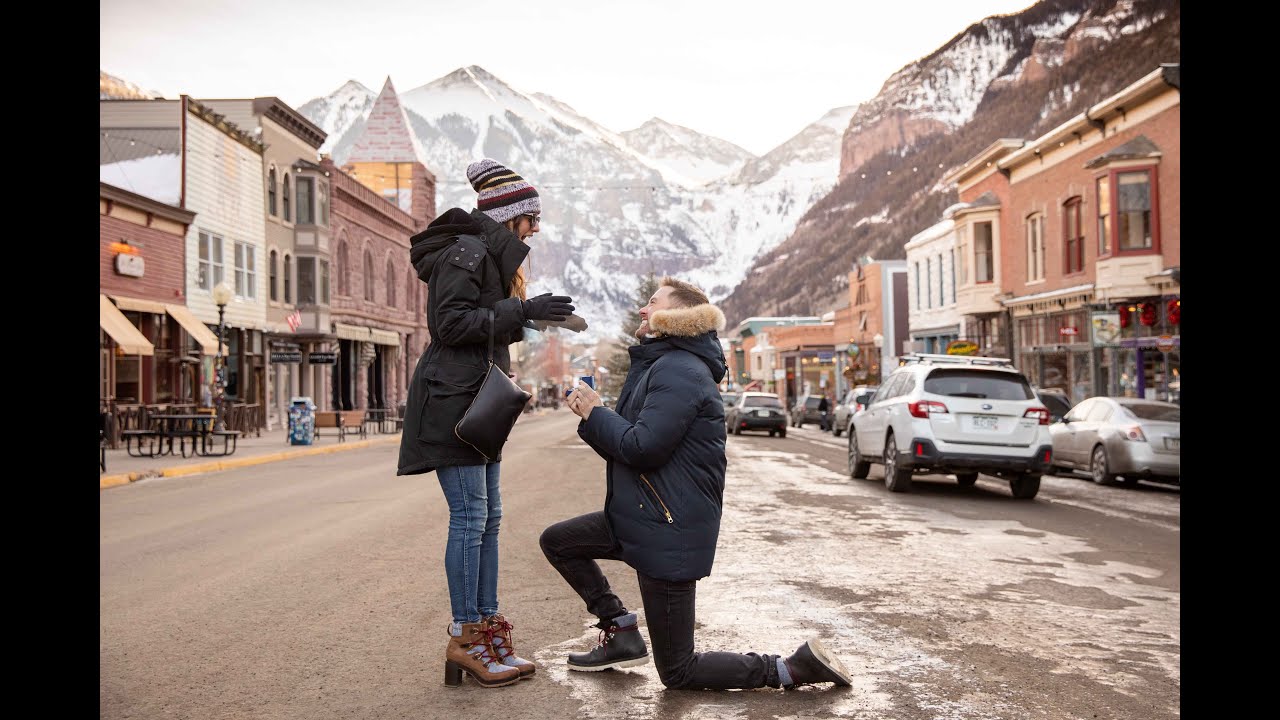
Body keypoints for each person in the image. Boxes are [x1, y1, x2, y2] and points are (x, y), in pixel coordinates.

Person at [542, 276, 851, 691]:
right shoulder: (662, 365)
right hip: (641, 518)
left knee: (678, 671)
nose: (643, 309)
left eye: (653, 302)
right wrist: (592, 417)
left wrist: (597, 413)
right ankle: (620, 629)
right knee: (559, 542)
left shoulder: (680, 370)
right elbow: (628, 451)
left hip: (669, 530)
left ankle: (792, 668)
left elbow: (643, 448)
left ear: (678, 316)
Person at [398, 158, 576, 689]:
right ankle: (465, 637)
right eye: (531, 217)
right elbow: (450, 325)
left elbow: (485, 326)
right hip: (454, 404)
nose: (535, 228)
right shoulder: (467, 252)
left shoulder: (487, 256)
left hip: (479, 401)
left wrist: (531, 315)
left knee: (489, 517)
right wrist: (521, 311)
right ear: (507, 216)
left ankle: (489, 630)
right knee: (471, 517)